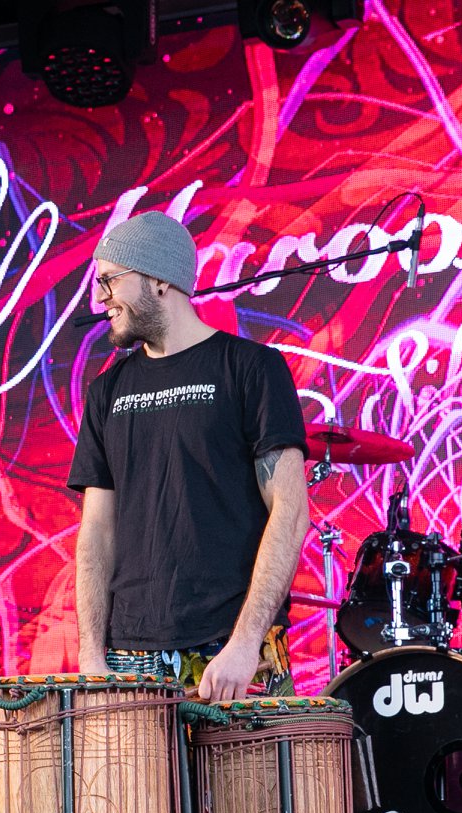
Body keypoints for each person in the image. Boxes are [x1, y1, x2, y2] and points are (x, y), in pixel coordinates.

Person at [69, 211, 311, 701]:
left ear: (159, 280)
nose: (100, 297)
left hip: (232, 648)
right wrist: (92, 654)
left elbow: (290, 511)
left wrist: (245, 644)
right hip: (129, 655)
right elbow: (96, 531)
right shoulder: (105, 392)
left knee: (251, 760)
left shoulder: (251, 368)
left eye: (110, 280)